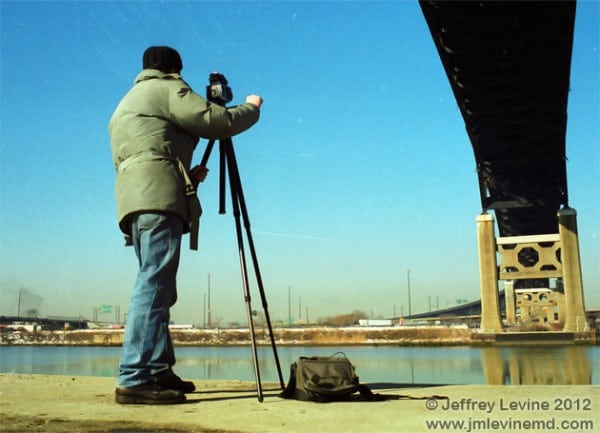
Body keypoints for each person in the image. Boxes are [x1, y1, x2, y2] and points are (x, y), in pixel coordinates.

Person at [109, 46, 263, 404]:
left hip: (137, 197)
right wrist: (251, 108)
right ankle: (134, 377)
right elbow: (217, 123)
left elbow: (151, 149)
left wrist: (184, 175)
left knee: (157, 284)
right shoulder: (166, 88)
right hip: (157, 198)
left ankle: (159, 370)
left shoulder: (129, 99)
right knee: (154, 284)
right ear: (174, 70)